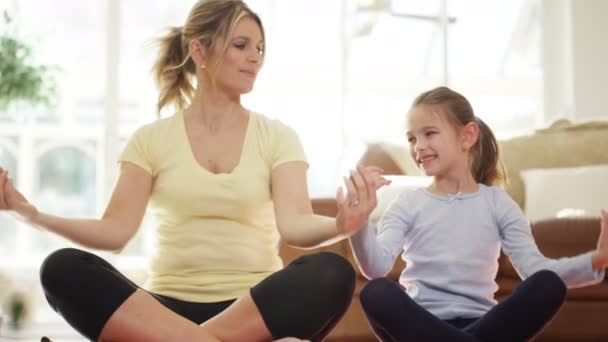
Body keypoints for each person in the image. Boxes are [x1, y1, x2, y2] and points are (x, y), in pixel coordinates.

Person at [0, 1, 390, 341]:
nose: (255, 57)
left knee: (332, 273)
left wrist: (341, 224)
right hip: (162, 311)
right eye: (241, 45)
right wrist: (30, 215)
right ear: (200, 51)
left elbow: (295, 225)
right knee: (62, 269)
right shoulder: (150, 139)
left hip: (254, 308)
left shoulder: (277, 136)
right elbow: (115, 233)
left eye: (259, 48)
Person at [343, 86, 608, 341]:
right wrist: (360, 223)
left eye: (430, 133)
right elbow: (376, 268)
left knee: (549, 284)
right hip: (421, 327)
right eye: (412, 138)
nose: (418, 146)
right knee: (376, 292)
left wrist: (596, 259)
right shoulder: (407, 204)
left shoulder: (497, 203)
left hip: (485, 325)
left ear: (467, 136)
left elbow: (536, 270)